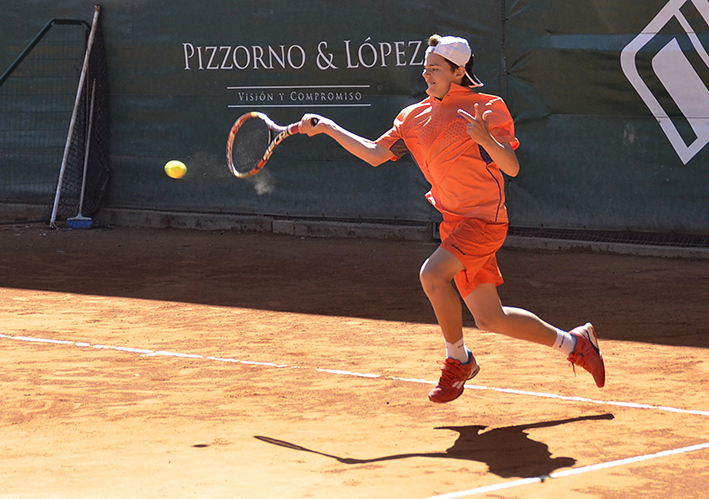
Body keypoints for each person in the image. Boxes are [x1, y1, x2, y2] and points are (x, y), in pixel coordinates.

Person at [299, 35, 605, 403]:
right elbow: (375, 154)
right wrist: (330, 127)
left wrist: (486, 138)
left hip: (484, 222)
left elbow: (511, 166)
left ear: (458, 71)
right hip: (455, 224)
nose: (426, 73)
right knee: (491, 318)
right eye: (425, 67)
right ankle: (575, 343)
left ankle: (458, 360)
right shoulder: (412, 117)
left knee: (431, 274)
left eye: (435, 68)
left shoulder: (486, 107)